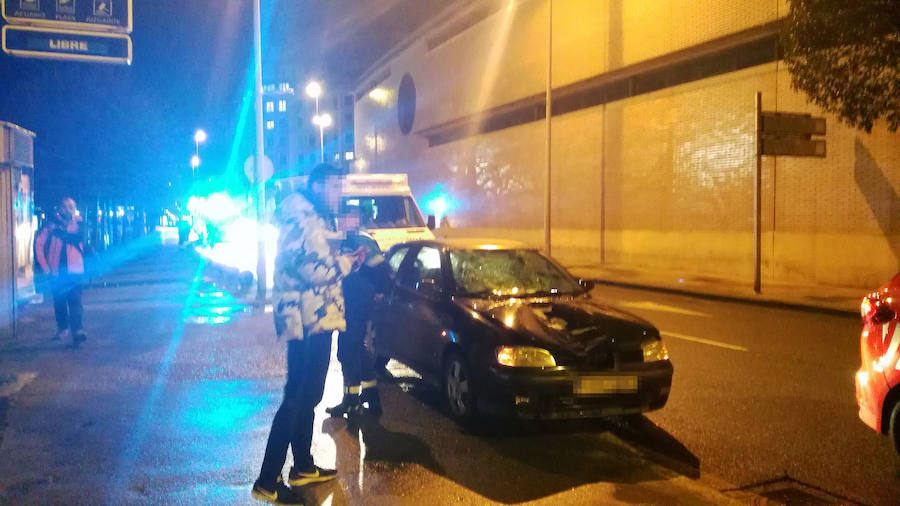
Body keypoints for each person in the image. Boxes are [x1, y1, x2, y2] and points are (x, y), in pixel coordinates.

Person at [252, 164, 366, 505]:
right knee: (298, 398)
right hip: (306, 321)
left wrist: (342, 255)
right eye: (334, 186)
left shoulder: (311, 215)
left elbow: (317, 256)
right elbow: (312, 268)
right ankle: (267, 480)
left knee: (309, 394)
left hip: (315, 318)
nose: (339, 193)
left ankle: (301, 466)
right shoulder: (301, 216)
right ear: (318, 186)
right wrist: (347, 263)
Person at [326, 229, 391, 418]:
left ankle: (352, 402)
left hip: (357, 302)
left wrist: (379, 290)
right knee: (356, 350)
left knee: (348, 350)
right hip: (350, 301)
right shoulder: (343, 238)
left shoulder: (361, 240)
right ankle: (370, 397)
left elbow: (382, 268)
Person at [35, 197, 87, 346]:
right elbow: (38, 245)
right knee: (59, 302)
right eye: (65, 207)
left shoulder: (79, 224)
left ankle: (78, 331)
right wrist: (45, 267)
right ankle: (63, 328)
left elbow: (80, 237)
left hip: (75, 271)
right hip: (55, 272)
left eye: (71, 207)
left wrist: (68, 224)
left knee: (75, 302)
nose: (68, 210)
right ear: (59, 209)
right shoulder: (50, 227)